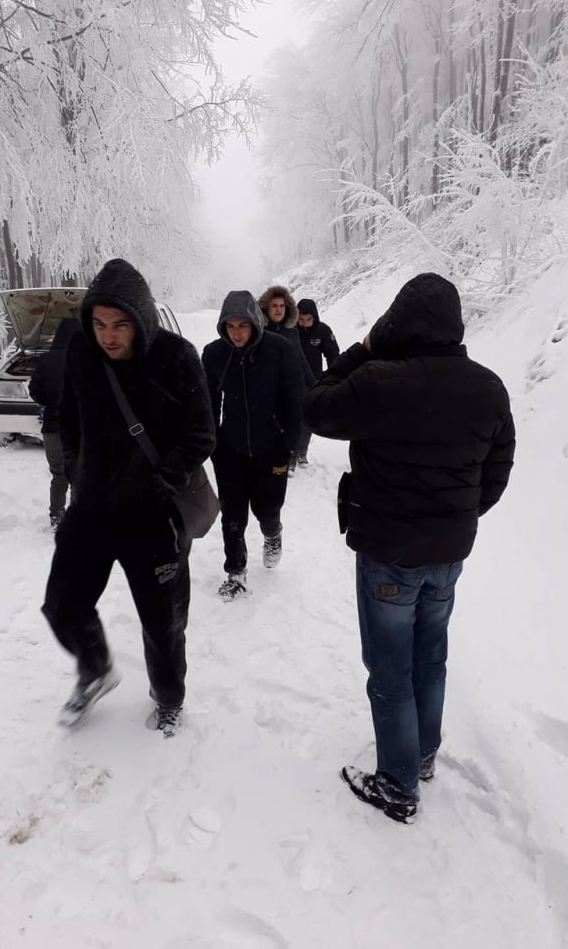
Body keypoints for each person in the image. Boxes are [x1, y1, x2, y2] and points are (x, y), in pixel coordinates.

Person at [304, 273, 515, 823]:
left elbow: (315, 406)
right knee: (432, 655)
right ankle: (420, 756)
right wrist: (454, 518)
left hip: (388, 555)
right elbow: (497, 471)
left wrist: (363, 348)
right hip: (448, 555)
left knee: (391, 669)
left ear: (397, 323)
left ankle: (398, 786)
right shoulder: (489, 388)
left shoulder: (378, 381)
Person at [41, 259, 215, 735]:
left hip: (153, 518)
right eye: (98, 324)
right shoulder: (81, 352)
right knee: (61, 603)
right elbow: (67, 417)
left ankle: (169, 697)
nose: (108, 336)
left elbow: (202, 434)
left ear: (141, 319)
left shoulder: (178, 357)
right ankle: (95, 668)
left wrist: (162, 478)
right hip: (92, 510)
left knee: (163, 625)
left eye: (119, 324)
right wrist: (77, 468)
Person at [202, 290, 303, 601]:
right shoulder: (214, 354)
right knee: (232, 515)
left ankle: (273, 534)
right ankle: (236, 572)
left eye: (242, 325)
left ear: (255, 323)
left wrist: (289, 443)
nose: (236, 333)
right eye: (230, 326)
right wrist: (212, 442)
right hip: (230, 450)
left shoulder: (280, 350)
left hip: (271, 448)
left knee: (267, 509)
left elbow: (294, 400)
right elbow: (207, 402)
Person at [28, 317, 81, 528]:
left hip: (52, 428)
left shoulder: (44, 361)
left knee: (59, 475)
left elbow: (35, 393)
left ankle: (56, 516)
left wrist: (51, 400)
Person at [258, 285, 314, 475]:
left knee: (293, 423)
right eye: (274, 305)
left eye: (282, 305)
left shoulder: (292, 332)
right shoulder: (258, 332)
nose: (278, 309)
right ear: (266, 308)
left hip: (290, 386)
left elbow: (301, 358)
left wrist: (314, 384)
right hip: (266, 388)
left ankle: (287, 461)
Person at [294, 298, 340, 468]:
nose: (305, 324)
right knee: (291, 417)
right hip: (292, 381)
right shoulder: (291, 331)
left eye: (308, 320)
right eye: (301, 320)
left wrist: (332, 376)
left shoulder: (323, 331)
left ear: (315, 317)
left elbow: (333, 354)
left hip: (314, 381)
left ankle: (301, 452)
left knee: (308, 418)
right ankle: (290, 454)